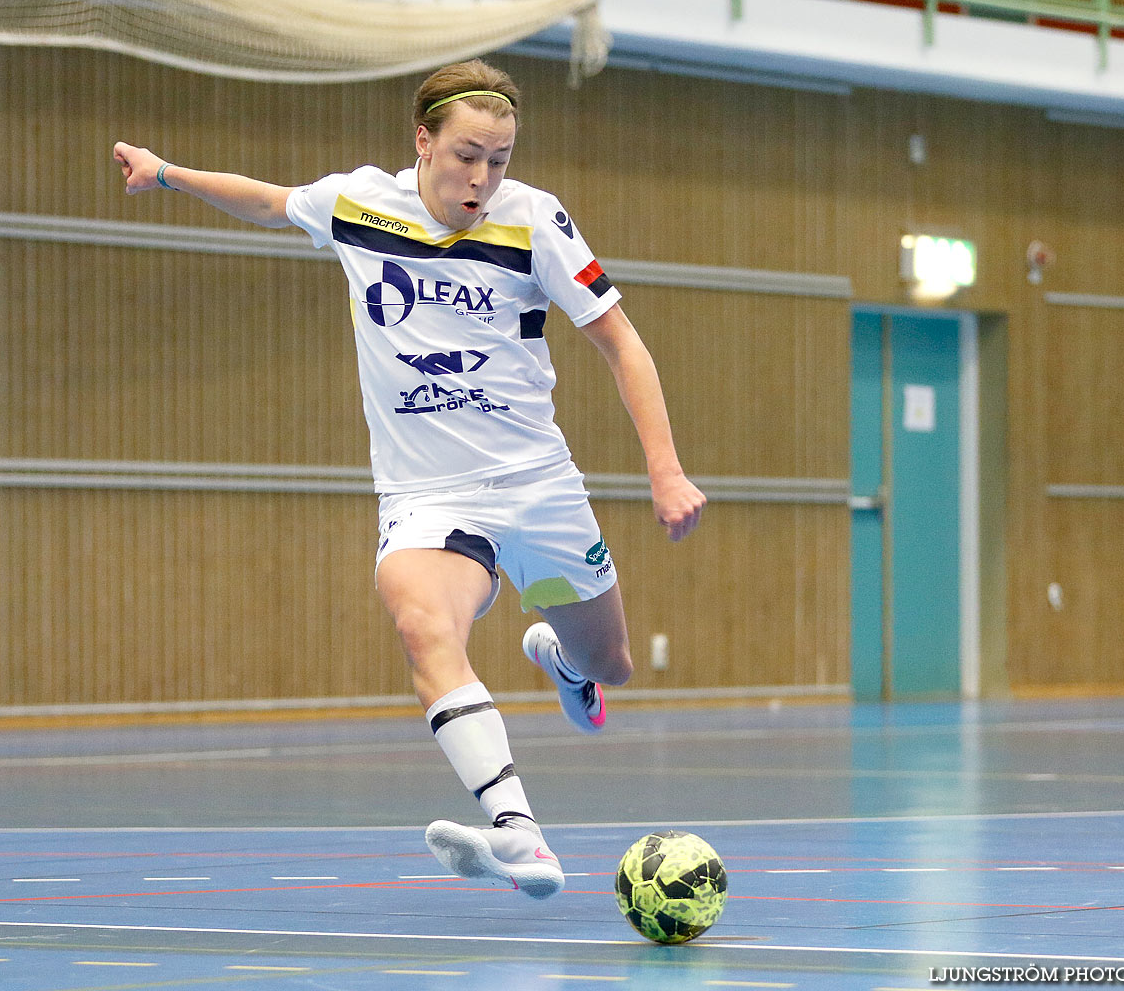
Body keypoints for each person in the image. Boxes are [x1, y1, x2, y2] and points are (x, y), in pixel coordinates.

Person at [114, 58, 705, 899]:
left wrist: (666, 470)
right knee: (423, 623)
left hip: (537, 482)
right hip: (428, 496)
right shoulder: (358, 204)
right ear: (422, 141)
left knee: (611, 665)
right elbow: (266, 199)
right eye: (467, 155)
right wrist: (167, 174)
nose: (482, 177)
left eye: (499, 159)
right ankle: (520, 833)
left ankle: (563, 660)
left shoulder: (533, 222)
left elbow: (621, 341)